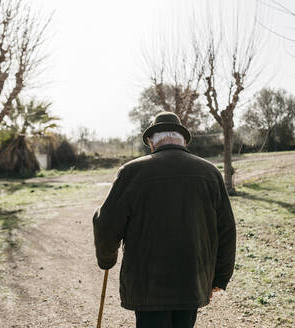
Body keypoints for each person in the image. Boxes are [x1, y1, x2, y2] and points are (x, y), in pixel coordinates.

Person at [93, 111, 236, 328]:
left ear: (151, 142)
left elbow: (105, 224)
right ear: (183, 140)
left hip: (147, 285)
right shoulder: (210, 173)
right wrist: (219, 277)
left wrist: (106, 259)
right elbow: (226, 229)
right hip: (192, 281)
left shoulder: (132, 172)